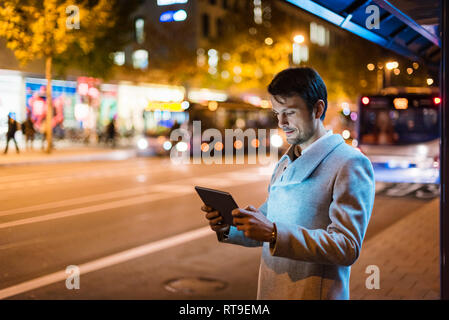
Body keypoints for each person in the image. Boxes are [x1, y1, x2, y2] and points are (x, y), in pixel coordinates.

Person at [201, 67, 375, 300]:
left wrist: (274, 233)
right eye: (277, 113)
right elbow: (267, 221)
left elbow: (346, 246)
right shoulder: (286, 161)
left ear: (318, 109)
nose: (281, 122)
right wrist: (228, 226)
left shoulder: (349, 163)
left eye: (290, 112)